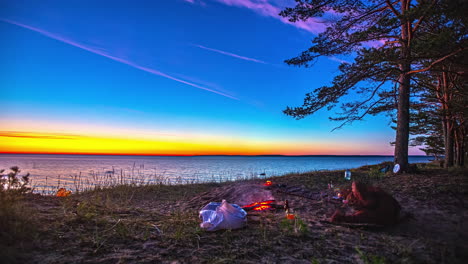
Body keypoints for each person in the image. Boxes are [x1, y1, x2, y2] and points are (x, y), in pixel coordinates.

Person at [331, 181, 401, 226]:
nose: (352, 191)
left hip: (388, 214)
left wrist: (339, 217)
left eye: (353, 190)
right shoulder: (369, 192)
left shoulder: (375, 206)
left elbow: (356, 217)